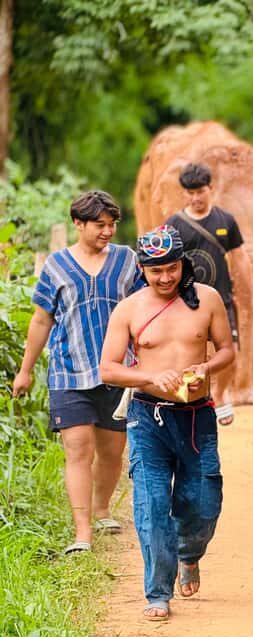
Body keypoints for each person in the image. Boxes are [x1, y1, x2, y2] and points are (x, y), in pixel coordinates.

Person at [100, 225, 234, 621]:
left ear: (182, 265)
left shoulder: (206, 300)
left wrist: (206, 366)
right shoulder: (129, 309)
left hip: (197, 417)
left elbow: (227, 350)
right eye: (155, 270)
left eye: (171, 268)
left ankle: (189, 555)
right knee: (152, 504)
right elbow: (108, 368)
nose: (164, 277)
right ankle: (157, 591)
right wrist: (148, 377)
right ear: (142, 268)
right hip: (148, 417)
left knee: (204, 504)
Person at [12, 190, 143, 554]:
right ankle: (82, 532)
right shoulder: (56, 266)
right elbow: (41, 320)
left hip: (118, 373)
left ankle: (102, 508)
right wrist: (25, 371)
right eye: (99, 225)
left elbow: (144, 309)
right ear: (78, 224)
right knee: (78, 450)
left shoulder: (126, 260)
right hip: (69, 373)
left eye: (112, 224)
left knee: (113, 450)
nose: (108, 231)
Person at [163, 162, 253, 426]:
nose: (196, 198)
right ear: (184, 193)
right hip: (185, 298)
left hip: (220, 297)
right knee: (189, 352)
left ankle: (219, 394)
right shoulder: (174, 225)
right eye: (190, 193)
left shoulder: (225, 221)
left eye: (200, 191)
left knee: (230, 349)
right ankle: (194, 401)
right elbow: (163, 264)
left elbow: (239, 259)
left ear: (211, 189)